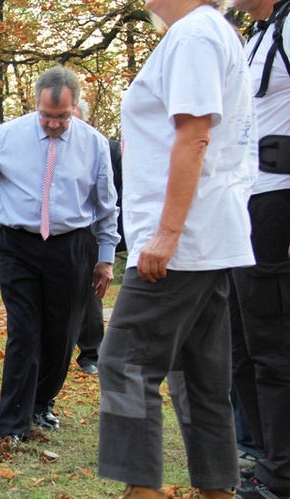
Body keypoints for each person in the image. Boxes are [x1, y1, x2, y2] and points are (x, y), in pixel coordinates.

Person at [95, 0, 258, 495]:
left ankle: (139, 491)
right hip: (207, 236)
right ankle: (218, 490)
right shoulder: (208, 33)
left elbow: (194, 137)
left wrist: (166, 233)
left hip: (181, 242)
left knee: (123, 365)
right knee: (201, 379)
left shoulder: (194, 37)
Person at [0, 66, 119, 443]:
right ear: (35, 103)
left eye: (63, 117)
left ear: (75, 107)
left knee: (62, 334)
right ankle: (13, 424)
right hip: (17, 244)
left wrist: (105, 257)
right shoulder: (7, 136)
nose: (54, 124)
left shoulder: (94, 144)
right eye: (47, 116)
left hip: (71, 246)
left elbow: (106, 206)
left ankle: (42, 403)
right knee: (25, 330)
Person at [230, 0, 290, 497]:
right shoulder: (254, 37)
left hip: (280, 203)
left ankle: (282, 476)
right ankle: (269, 457)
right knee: (243, 344)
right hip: (245, 206)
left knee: (274, 345)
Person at [72, 98, 125, 376]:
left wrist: (110, 243)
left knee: (91, 292)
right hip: (57, 231)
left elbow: (114, 195)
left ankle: (91, 353)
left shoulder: (104, 148)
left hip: (92, 229)